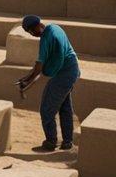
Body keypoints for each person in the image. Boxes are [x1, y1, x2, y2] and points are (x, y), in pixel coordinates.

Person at [16, 15, 80, 152]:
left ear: (35, 28)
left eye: (31, 32)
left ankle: (51, 141)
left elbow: (38, 67)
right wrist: (27, 77)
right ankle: (67, 141)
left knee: (46, 109)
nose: (32, 35)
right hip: (72, 70)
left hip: (62, 75)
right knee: (65, 108)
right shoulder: (55, 27)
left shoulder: (45, 39)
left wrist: (26, 82)